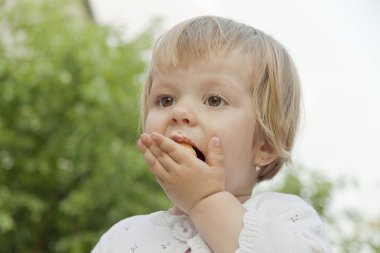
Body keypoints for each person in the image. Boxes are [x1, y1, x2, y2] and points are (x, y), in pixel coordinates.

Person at [92, 16, 331, 253]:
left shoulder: (285, 217)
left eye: (214, 100)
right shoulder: (123, 237)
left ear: (264, 145)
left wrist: (205, 200)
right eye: (166, 100)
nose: (180, 112)